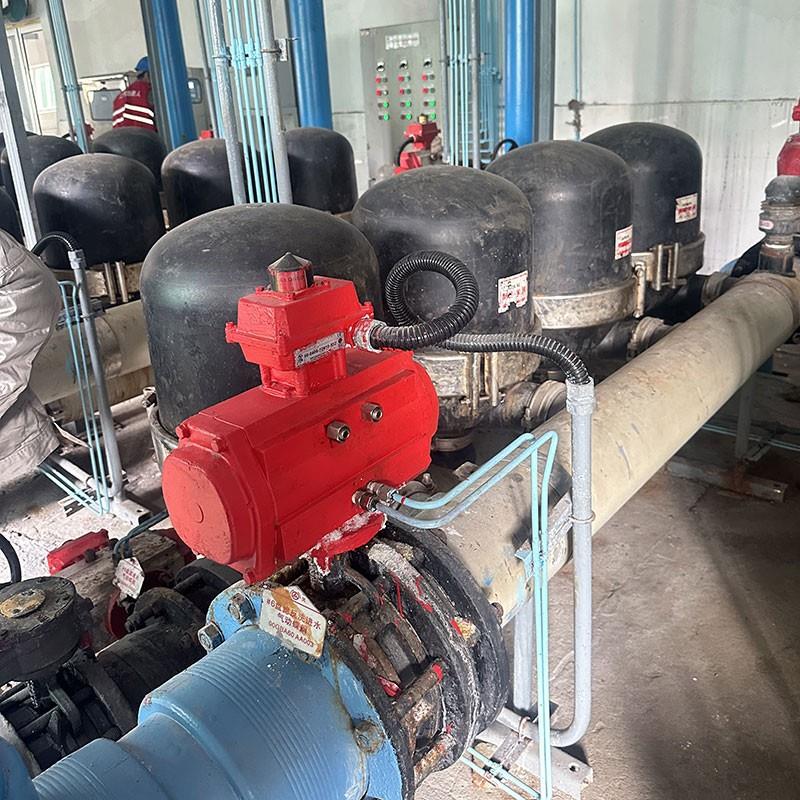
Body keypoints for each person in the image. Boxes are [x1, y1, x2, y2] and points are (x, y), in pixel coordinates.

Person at [112, 56, 157, 131]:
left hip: (120, 137)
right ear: (147, 74)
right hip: (146, 136)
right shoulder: (150, 92)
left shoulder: (119, 97)